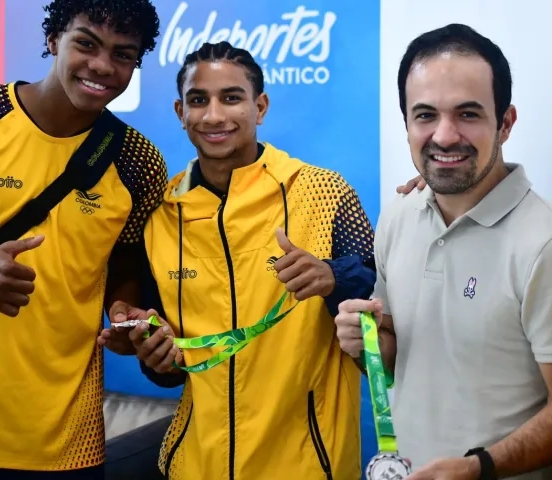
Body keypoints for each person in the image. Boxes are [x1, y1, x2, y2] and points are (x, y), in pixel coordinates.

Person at [98, 41, 376, 479]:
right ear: (179, 112)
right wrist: (157, 357)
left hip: (307, 467)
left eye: (231, 97)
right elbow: (172, 368)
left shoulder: (324, 192)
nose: (213, 116)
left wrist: (332, 276)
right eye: (198, 100)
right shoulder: (162, 214)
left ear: (260, 106)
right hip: (195, 465)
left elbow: (378, 298)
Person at [0, 0, 165, 478]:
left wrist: (124, 314)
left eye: (123, 54)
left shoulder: (138, 163)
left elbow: (125, 270)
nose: (102, 66)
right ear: (53, 40)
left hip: (68, 439)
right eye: (86, 43)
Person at [335, 24, 552, 480]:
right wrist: (366, 345)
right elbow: (394, 363)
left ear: (505, 123)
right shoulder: (397, 217)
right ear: (407, 123)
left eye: (468, 114)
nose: (445, 136)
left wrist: (477, 468)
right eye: (425, 115)